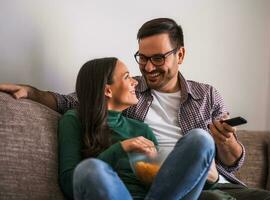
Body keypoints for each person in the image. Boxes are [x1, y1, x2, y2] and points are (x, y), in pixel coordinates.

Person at [0, 18, 270, 199]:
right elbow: (75, 101)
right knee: (90, 172)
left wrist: (226, 142)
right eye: (142, 59)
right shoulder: (97, 111)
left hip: (207, 181)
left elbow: (234, 161)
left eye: (157, 58)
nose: (146, 69)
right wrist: (32, 92)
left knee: (201, 140)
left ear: (179, 54)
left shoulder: (206, 95)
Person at [59, 57, 217, 200]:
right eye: (127, 77)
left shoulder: (142, 130)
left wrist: (208, 176)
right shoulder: (74, 120)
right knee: (90, 168)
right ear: (108, 90)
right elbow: (69, 183)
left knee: (200, 138)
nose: (135, 82)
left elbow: (164, 187)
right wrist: (121, 148)